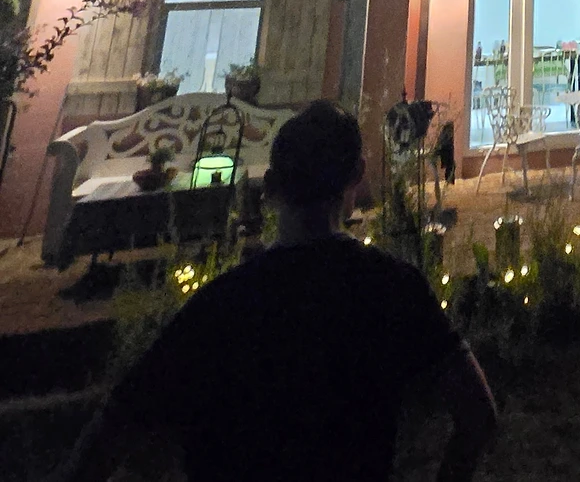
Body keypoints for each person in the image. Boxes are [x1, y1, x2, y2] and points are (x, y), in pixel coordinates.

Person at [59, 99, 497, 482]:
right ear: (357, 176)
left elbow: (112, 430)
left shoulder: (221, 305)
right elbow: (477, 412)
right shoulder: (392, 286)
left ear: (270, 187)